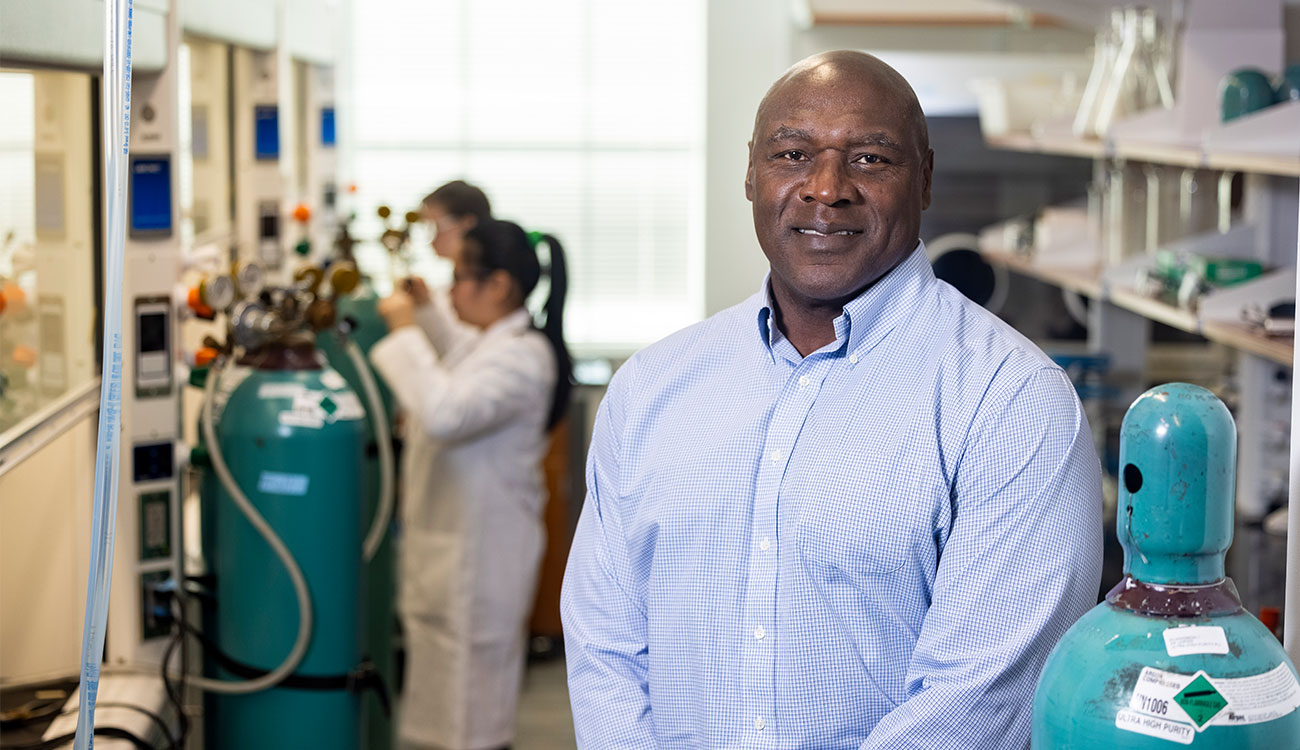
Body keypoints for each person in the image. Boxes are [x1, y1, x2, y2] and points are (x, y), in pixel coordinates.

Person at [560, 50, 1103, 749]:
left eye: (871, 160)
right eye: (792, 154)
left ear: (925, 177)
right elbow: (605, 643)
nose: (826, 188)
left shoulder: (1012, 401)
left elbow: (984, 694)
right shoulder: (652, 386)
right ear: (751, 173)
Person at [370, 217, 572, 750]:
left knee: (471, 721)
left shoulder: (524, 357)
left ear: (498, 285)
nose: (448, 289)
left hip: (482, 562)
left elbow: (445, 411)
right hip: (453, 552)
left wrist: (405, 332)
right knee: (443, 713)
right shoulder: (491, 342)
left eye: (458, 277)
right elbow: (457, 353)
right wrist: (427, 314)